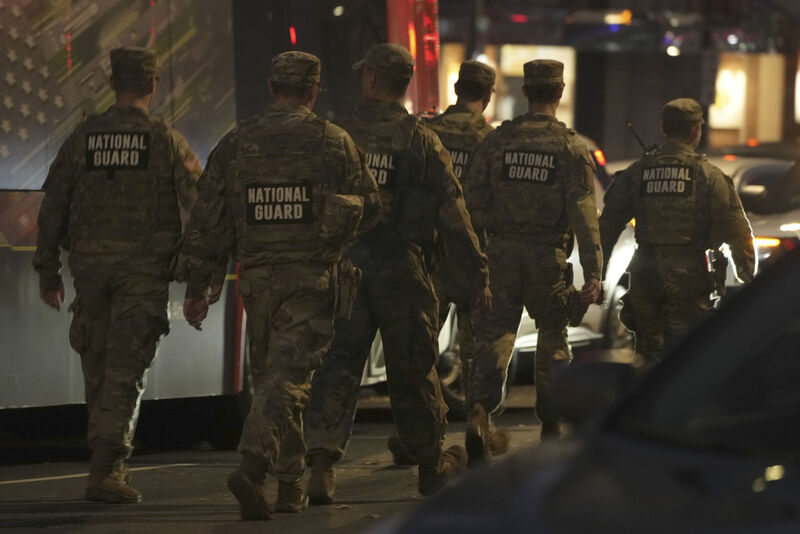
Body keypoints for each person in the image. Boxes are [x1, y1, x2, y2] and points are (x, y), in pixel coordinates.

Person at [178, 50, 380, 520]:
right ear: (313, 90)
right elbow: (370, 206)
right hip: (310, 278)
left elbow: (209, 220)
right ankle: (252, 466)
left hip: (258, 279)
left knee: (276, 378)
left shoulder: (236, 142)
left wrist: (198, 286)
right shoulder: (334, 141)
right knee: (289, 380)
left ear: (271, 87)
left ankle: (290, 487)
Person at [303, 43, 492, 504]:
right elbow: (453, 212)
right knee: (414, 369)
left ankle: (322, 469)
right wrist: (476, 274)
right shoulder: (422, 139)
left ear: (371, 79)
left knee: (338, 365)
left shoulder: (337, 134)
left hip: (347, 268)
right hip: (404, 268)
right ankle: (429, 465)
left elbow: (312, 204)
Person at [32, 47, 202, 504]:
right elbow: (201, 209)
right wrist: (200, 277)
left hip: (89, 270)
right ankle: (106, 468)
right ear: (152, 84)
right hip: (143, 271)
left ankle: (104, 463)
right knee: (126, 369)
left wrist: (49, 272)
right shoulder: (165, 139)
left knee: (99, 365)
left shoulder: (82, 137)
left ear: (112, 83)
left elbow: (52, 208)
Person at [462, 59, 603, 445]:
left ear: (525, 92)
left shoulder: (497, 141)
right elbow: (584, 214)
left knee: (495, 334)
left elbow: (472, 202)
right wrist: (594, 272)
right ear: (560, 93)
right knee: (553, 336)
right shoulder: (570, 146)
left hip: (501, 253)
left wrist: (477, 260)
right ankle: (552, 426)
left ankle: (478, 412)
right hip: (547, 259)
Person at [386, 59, 505, 467]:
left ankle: (412, 434)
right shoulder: (492, 140)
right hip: (476, 257)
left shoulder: (424, 132)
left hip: (431, 256)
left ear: (456, 88)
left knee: (420, 348)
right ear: (487, 96)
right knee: (476, 347)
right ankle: (476, 419)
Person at [599, 98, 755, 363]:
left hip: (645, 274)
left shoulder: (639, 172)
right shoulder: (709, 175)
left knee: (648, 355)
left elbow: (608, 223)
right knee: (684, 357)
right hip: (689, 279)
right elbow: (738, 233)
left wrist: (596, 274)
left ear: (663, 128)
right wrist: (748, 280)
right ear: (697, 129)